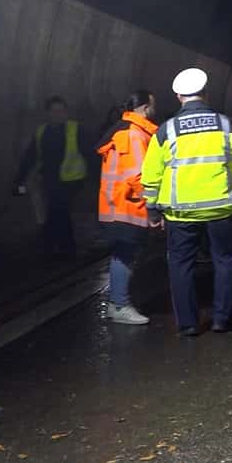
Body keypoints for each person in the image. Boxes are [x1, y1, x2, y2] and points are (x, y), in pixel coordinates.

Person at [141, 68, 232, 336]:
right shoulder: (228, 125)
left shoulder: (166, 130)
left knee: (181, 264)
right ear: (206, 94)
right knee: (226, 261)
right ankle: (222, 320)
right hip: (223, 208)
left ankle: (188, 324)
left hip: (181, 212)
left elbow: (151, 175)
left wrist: (152, 210)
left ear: (178, 96)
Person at [97, 91, 159, 325]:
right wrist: (153, 208)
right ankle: (119, 304)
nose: (155, 109)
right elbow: (138, 175)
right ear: (145, 108)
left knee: (123, 254)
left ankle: (119, 301)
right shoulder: (133, 134)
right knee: (125, 255)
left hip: (118, 204)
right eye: (153, 104)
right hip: (125, 205)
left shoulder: (125, 130)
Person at [14, 96, 95, 257]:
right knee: (58, 212)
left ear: (66, 112)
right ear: (48, 113)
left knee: (58, 209)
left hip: (72, 180)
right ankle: (62, 248)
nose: (58, 114)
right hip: (51, 180)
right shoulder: (41, 132)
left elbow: (90, 154)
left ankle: (55, 247)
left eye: (61, 111)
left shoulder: (76, 130)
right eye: (54, 111)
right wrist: (19, 179)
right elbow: (30, 157)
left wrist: (96, 178)